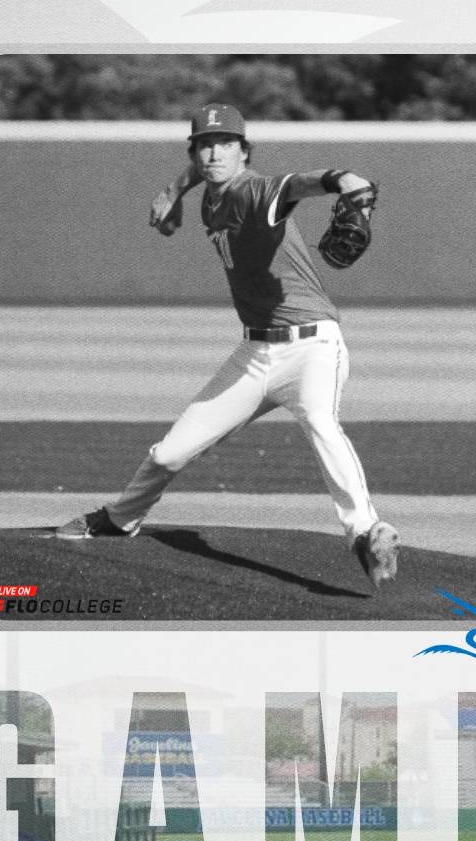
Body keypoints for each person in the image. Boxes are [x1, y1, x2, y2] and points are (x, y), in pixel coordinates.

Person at [56, 103, 400, 588]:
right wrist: (173, 190)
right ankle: (121, 518)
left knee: (322, 425)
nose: (215, 153)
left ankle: (366, 534)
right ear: (195, 154)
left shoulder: (252, 190)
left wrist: (340, 179)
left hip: (312, 347)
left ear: (245, 151)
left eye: (226, 144)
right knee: (168, 455)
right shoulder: (210, 196)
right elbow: (200, 174)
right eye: (205, 145)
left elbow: (296, 185)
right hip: (254, 355)